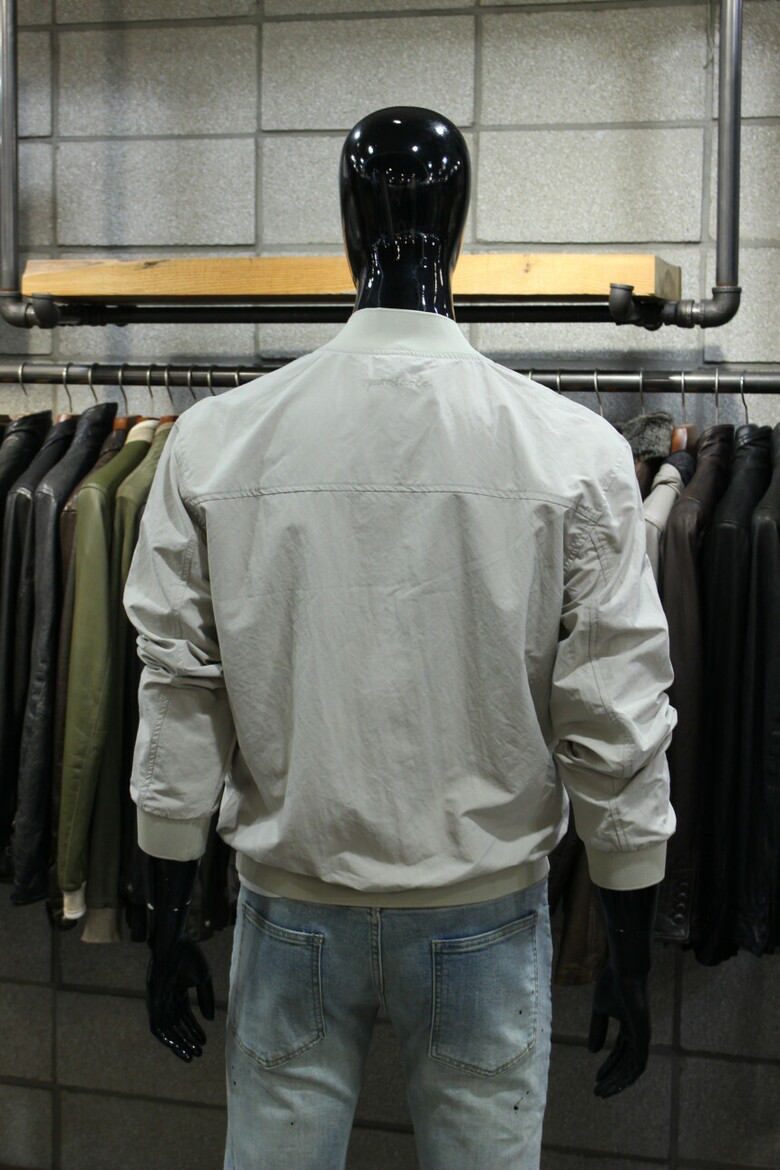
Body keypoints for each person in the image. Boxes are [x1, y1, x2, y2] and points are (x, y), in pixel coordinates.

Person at [124, 106, 677, 1170]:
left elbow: (180, 690)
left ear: (347, 229)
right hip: (484, 914)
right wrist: (631, 940)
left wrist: (167, 912)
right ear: (459, 233)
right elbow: (615, 714)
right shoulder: (574, 452)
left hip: (290, 908)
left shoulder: (216, 442)